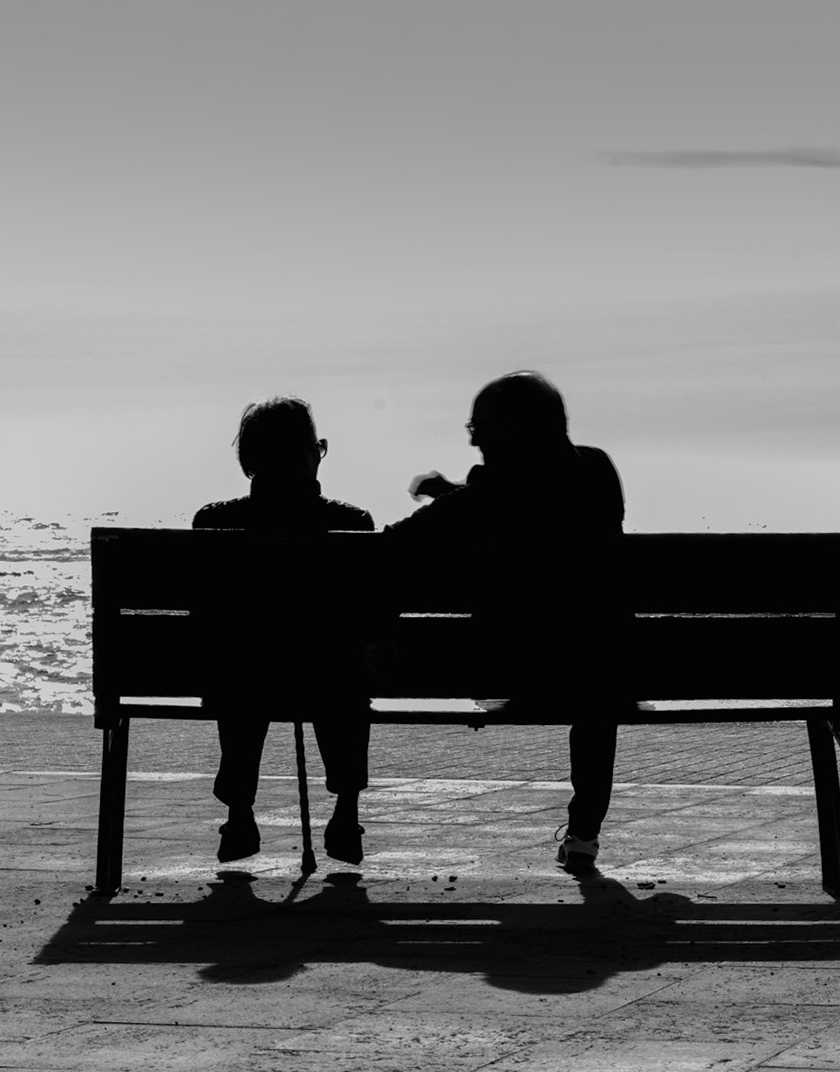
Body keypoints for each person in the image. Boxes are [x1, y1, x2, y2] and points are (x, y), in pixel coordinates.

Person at [387, 371, 628, 872]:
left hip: (513, 674)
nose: (475, 444)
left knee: (573, 659)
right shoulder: (598, 470)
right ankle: (584, 832)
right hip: (604, 673)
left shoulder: (490, 492)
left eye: (479, 432)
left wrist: (453, 496)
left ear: (509, 431)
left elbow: (399, 540)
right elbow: (541, 499)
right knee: (594, 665)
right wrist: (458, 492)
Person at [194, 396, 374, 865]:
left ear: (248, 460)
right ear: (313, 453)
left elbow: (204, 619)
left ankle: (239, 813)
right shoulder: (351, 525)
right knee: (345, 665)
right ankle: (346, 812)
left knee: (236, 660)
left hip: (242, 679)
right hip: (329, 680)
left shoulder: (212, 524)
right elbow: (368, 618)